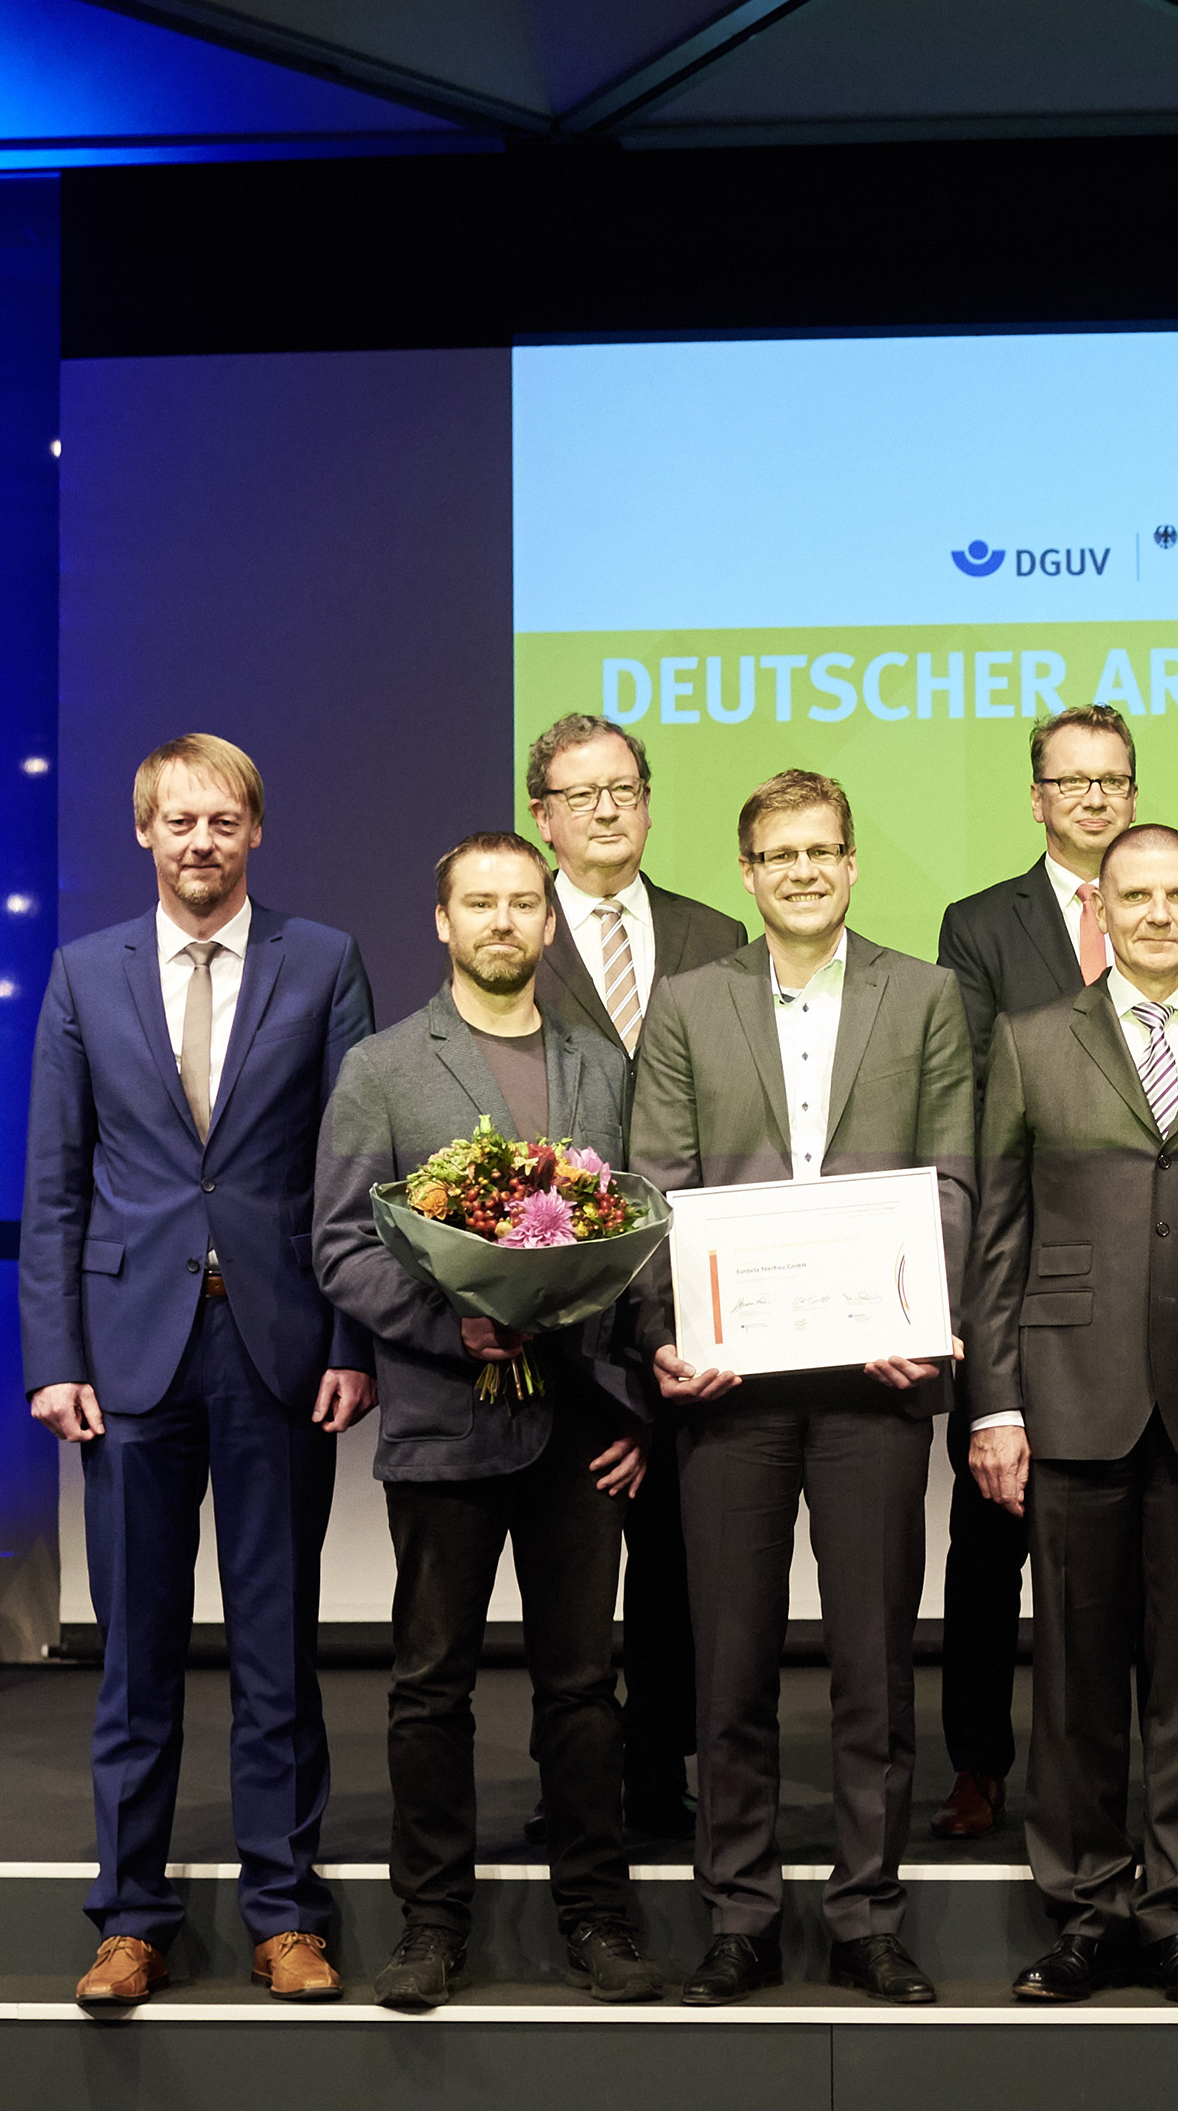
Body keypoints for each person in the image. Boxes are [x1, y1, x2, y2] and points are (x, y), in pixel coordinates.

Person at [18, 734, 378, 2015]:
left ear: (256, 831)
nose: (200, 842)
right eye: (178, 821)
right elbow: (55, 1181)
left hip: (280, 1345)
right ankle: (130, 1919)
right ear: (144, 832)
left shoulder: (324, 960)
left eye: (223, 820)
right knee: (136, 1655)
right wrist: (53, 1356)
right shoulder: (84, 971)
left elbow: (356, 1174)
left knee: (278, 1648)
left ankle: (288, 1915)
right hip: (129, 1357)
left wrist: (353, 1340)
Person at [628, 768, 975, 2009]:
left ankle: (867, 1914)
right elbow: (656, 1184)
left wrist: (920, 1318)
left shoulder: (925, 995)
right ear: (748, 872)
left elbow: (954, 1177)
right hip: (731, 1388)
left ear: (853, 862)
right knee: (731, 1664)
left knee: (875, 1665)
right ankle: (740, 1914)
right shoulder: (689, 1002)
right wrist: (671, 1330)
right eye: (781, 855)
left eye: (824, 850)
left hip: (877, 1383)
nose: (805, 872)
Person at [312, 833, 661, 2012]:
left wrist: (638, 1405)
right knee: (430, 1685)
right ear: (443, 921)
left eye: (522, 902)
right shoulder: (381, 1067)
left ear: (550, 924)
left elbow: (639, 1242)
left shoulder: (603, 1065)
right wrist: (449, 1321)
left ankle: (598, 1915)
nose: (503, 921)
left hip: (578, 1426)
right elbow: (340, 1245)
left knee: (583, 1685)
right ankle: (431, 1924)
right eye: (480, 902)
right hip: (442, 1419)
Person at [965, 823, 1178, 2004]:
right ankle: (1083, 1911)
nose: (1158, 914)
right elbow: (996, 1235)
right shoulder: (1029, 1040)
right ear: (1101, 910)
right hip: (1068, 1396)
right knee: (1072, 1673)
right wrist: (993, 1403)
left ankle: (1175, 1914)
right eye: (1136, 896)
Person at [930, 706, 1178, 1843]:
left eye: (1113, 779)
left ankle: (1167, 1814)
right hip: (1037, 1296)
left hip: (1170, 1319)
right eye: (1073, 781)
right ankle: (978, 1763)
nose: (1096, 797)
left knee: (1159, 1606)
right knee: (991, 1551)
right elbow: (982, 1104)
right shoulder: (981, 924)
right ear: (1038, 798)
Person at [524, 712, 747, 1841]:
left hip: (693, 1285)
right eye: (582, 793)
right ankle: (573, 1788)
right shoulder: (513, 933)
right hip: (556, 1302)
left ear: (649, 803)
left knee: (677, 1563)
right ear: (543, 817)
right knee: (568, 1569)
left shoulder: (717, 934)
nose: (607, 809)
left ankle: (661, 1772)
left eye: (624, 788)